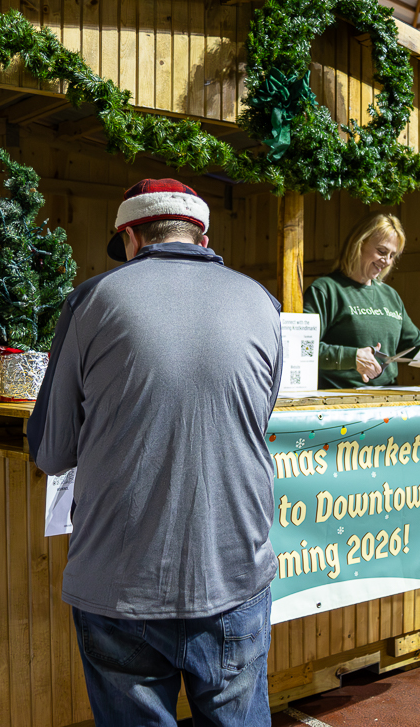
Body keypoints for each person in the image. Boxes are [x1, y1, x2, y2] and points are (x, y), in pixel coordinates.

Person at [28, 179, 283, 727]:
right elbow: (256, 418)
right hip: (235, 570)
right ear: (202, 238)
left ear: (130, 237)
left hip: (120, 583)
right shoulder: (263, 302)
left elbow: (51, 450)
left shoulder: (93, 299)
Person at [302, 212, 420, 388]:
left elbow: (413, 345)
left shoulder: (390, 296)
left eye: (392, 255)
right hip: (338, 399)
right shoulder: (325, 290)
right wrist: (352, 357)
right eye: (382, 251)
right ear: (358, 243)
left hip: (386, 398)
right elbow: (302, 347)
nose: (387, 261)